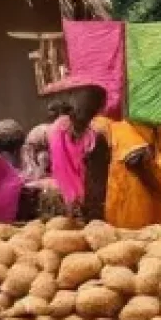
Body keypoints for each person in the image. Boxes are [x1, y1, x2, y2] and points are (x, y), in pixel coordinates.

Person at [47, 84, 111, 219]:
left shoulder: (58, 128)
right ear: (100, 107)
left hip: (68, 199)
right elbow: (97, 183)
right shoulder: (99, 134)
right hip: (90, 204)